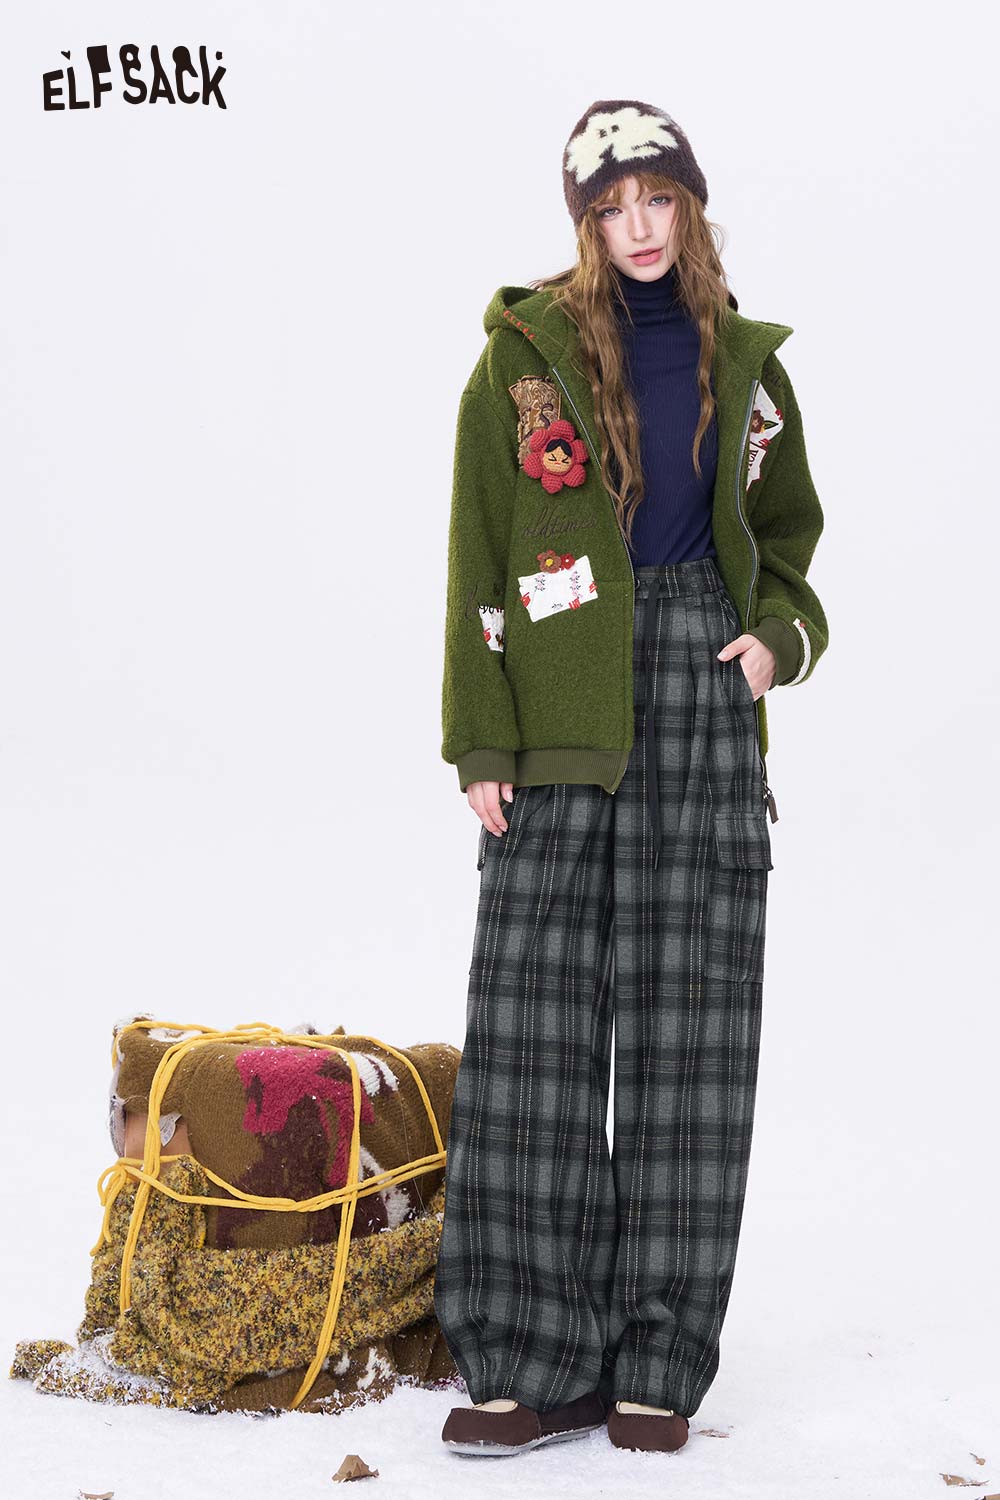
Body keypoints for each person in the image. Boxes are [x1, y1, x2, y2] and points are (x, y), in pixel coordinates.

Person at [433, 97, 828, 1460]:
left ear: (691, 206)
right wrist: (480, 743)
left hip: (701, 685)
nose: (641, 228)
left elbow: (789, 537)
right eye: (613, 209)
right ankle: (526, 1358)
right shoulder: (521, 359)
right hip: (556, 699)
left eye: (661, 200)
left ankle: (658, 1361)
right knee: (531, 1029)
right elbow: (479, 554)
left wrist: (776, 639)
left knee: (688, 1035)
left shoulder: (745, 365)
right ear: (584, 224)